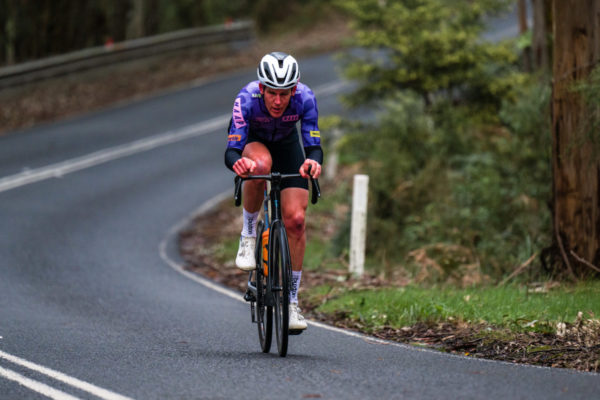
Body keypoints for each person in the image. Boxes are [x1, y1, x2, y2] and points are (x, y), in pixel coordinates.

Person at [224, 52, 323, 331]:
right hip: (254, 143)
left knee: (296, 221)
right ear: (262, 88)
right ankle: (248, 234)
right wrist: (239, 163)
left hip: (287, 144)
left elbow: (313, 144)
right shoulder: (246, 99)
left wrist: (313, 161)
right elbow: (231, 151)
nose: (278, 101)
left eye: (284, 93)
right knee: (260, 165)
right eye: (272, 93)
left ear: (294, 89)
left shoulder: (305, 97)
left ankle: (291, 303)